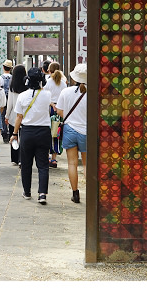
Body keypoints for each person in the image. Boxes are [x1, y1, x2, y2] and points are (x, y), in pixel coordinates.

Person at [11, 67, 52, 204]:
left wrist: (14, 134)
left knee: (26, 164)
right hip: (43, 132)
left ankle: (27, 192)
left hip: (27, 132)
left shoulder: (22, 96)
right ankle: (42, 194)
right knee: (43, 165)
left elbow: (18, 117)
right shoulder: (47, 95)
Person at [56, 63, 89, 203]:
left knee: (72, 164)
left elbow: (59, 111)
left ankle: (75, 193)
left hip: (70, 129)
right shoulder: (94, 93)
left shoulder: (66, 92)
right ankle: (91, 194)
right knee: (88, 164)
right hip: (87, 131)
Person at [42, 61, 68, 168]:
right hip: (60, 109)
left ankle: (48, 156)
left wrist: (52, 104)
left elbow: (44, 96)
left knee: (49, 132)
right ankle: (54, 158)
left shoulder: (49, 82)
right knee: (57, 133)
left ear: (49, 70)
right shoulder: (63, 82)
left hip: (51, 109)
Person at [5, 64, 27, 167]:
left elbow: (9, 102)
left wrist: (7, 115)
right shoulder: (27, 85)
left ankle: (14, 158)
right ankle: (21, 159)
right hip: (24, 115)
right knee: (23, 137)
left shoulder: (12, 85)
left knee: (13, 136)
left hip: (14, 114)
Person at [0, 60, 14, 143]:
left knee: (3, 116)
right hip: (11, 98)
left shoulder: (0, 78)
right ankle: (11, 132)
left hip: (3, 98)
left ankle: (4, 133)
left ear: (3, 67)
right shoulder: (13, 77)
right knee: (11, 115)